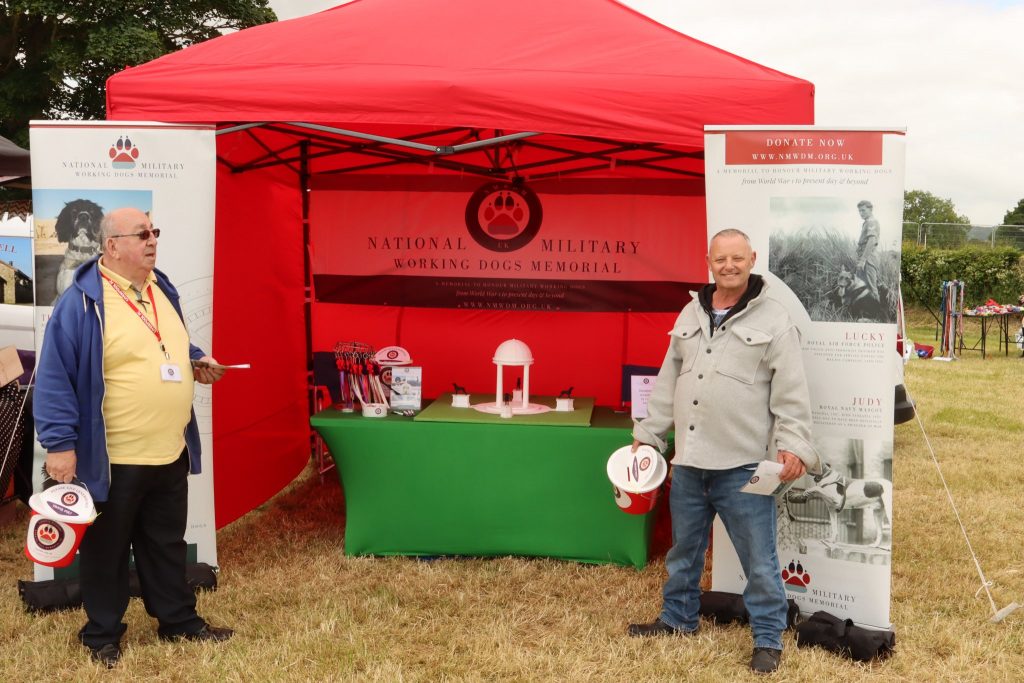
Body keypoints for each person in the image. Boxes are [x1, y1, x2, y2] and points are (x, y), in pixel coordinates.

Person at [34, 207, 231, 667]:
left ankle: (178, 622)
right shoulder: (81, 301)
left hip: (169, 451)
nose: (152, 240)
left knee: (165, 543)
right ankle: (101, 633)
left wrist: (196, 360)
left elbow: (171, 343)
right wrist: (61, 446)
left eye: (154, 231)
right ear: (112, 246)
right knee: (106, 549)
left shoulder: (161, 287)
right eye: (141, 234)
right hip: (113, 458)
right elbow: (54, 377)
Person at [626, 229, 819, 675]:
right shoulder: (690, 312)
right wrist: (650, 434)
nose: (728, 265)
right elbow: (667, 380)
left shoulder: (775, 319)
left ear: (752, 258)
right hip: (690, 462)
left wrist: (793, 445)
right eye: (720, 259)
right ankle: (678, 620)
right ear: (708, 262)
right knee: (684, 552)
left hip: (743, 465)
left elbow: (791, 393)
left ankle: (768, 639)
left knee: (760, 561)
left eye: (737, 258)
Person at [855, 200, 881, 303]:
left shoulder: (872, 222)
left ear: (870, 209)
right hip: (864, 256)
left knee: (871, 287)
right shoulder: (866, 222)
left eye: (863, 210)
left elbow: (872, 241)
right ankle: (865, 312)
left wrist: (862, 260)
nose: (861, 213)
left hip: (869, 258)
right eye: (860, 211)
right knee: (861, 285)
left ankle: (878, 314)